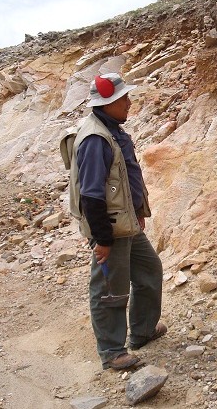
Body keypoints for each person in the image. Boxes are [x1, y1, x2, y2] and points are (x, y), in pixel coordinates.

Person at [67, 73, 167, 370]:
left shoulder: (112, 130)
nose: (129, 103)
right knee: (110, 288)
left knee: (150, 270)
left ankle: (142, 330)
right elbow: (92, 195)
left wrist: (137, 212)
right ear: (107, 103)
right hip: (110, 228)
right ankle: (112, 352)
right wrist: (103, 240)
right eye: (124, 99)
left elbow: (124, 179)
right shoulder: (95, 139)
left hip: (126, 223)